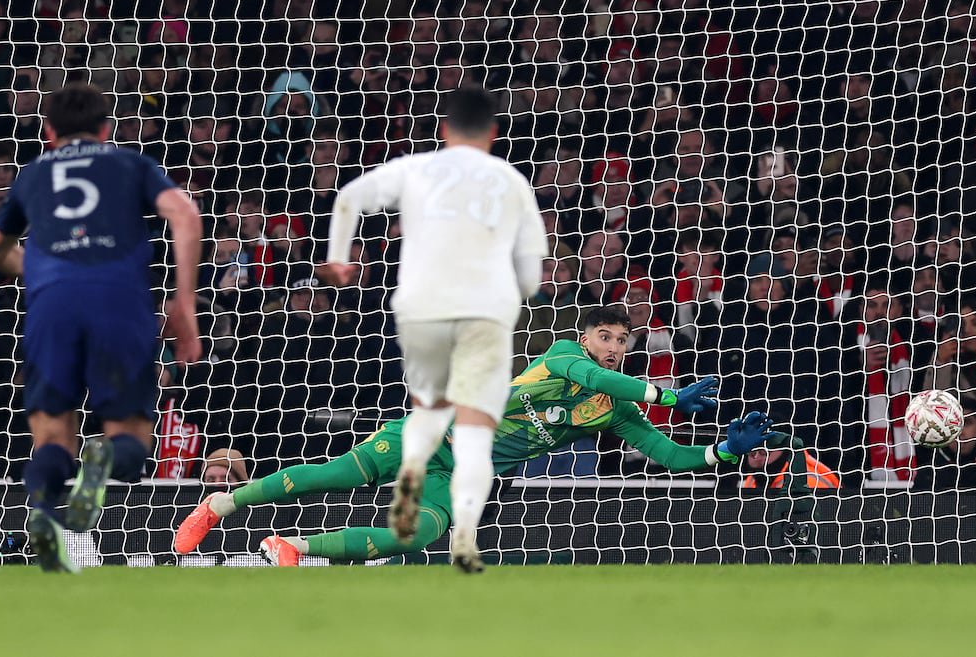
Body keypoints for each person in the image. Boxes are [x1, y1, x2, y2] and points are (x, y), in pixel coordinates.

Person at [172, 307, 764, 565]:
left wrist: (721, 451)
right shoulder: (562, 357)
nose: (612, 348)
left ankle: (294, 549)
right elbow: (584, 375)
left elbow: (665, 454)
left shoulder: (615, 408)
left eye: (622, 343)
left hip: (459, 470)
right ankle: (220, 504)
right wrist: (663, 394)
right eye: (605, 337)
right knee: (333, 475)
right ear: (587, 338)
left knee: (419, 534)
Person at [313, 87, 548, 574]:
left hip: (422, 308)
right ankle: (463, 536)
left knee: (427, 411)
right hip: (484, 312)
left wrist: (338, 260)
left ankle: (413, 468)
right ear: (493, 133)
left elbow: (348, 197)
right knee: (476, 436)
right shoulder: (511, 181)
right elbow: (531, 275)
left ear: (444, 131)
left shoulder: (416, 168)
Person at [0, 82, 202, 573]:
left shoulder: (32, 173)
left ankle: (41, 519)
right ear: (106, 129)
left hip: (52, 305)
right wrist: (184, 303)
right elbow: (185, 216)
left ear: (49, 132)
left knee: (52, 437)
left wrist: (46, 270)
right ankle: (101, 462)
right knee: (131, 441)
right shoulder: (128, 162)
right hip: (120, 301)